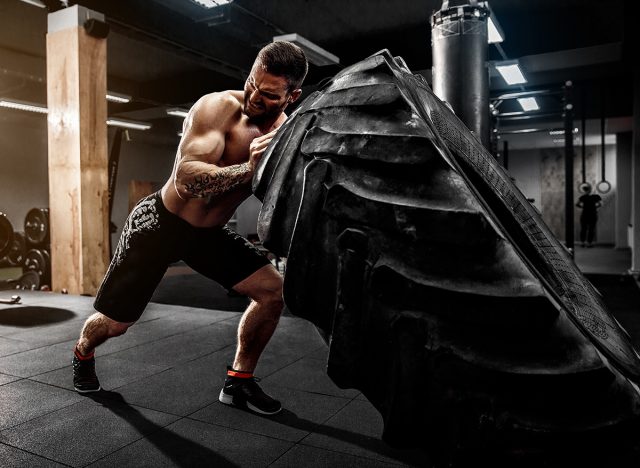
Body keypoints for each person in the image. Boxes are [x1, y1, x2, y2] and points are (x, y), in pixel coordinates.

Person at [72, 41, 308, 416]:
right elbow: (187, 180)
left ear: (291, 96)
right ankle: (82, 351)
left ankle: (239, 382)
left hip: (206, 235)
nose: (253, 97)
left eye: (267, 94)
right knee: (117, 323)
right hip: (159, 222)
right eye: (251, 83)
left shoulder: (285, 135)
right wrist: (249, 168)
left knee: (272, 292)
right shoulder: (217, 108)